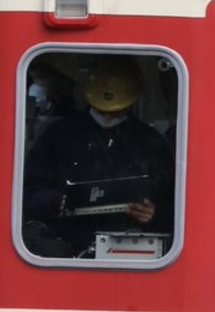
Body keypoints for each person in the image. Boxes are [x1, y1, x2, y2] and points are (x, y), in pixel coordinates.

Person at [23, 57, 174, 258]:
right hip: (65, 246)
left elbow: (176, 202)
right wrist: (53, 201)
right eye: (102, 111)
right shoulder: (58, 135)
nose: (108, 117)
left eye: (116, 111)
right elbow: (26, 193)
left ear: (130, 103)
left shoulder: (151, 143)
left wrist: (155, 214)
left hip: (132, 249)